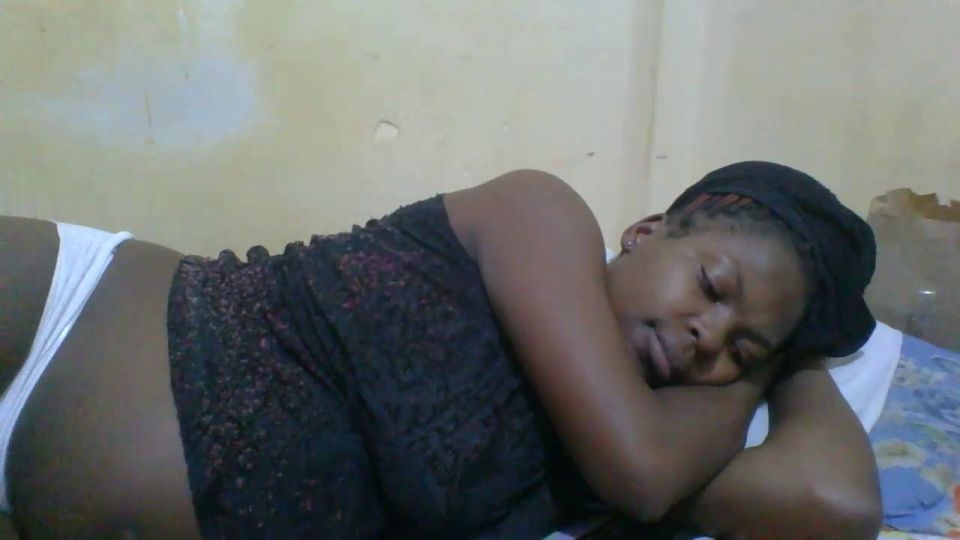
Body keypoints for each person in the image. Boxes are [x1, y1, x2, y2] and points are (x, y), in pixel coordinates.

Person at [0, 161, 881, 539]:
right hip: (64, 313)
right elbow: (642, 473)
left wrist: (781, 356)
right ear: (647, 230)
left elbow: (836, 504)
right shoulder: (543, 214)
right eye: (712, 287)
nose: (706, 339)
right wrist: (756, 356)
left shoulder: (630, 440)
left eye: (741, 348)